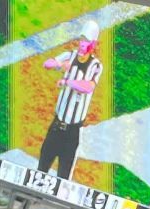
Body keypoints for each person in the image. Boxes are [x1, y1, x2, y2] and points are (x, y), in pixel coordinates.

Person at [38, 20, 103, 181]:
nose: (82, 43)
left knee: (63, 175)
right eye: (81, 39)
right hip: (56, 125)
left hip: (72, 131)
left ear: (93, 43)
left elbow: (88, 87)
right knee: (41, 168)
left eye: (86, 40)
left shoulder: (95, 65)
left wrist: (68, 82)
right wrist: (59, 64)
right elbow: (47, 63)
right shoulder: (70, 55)